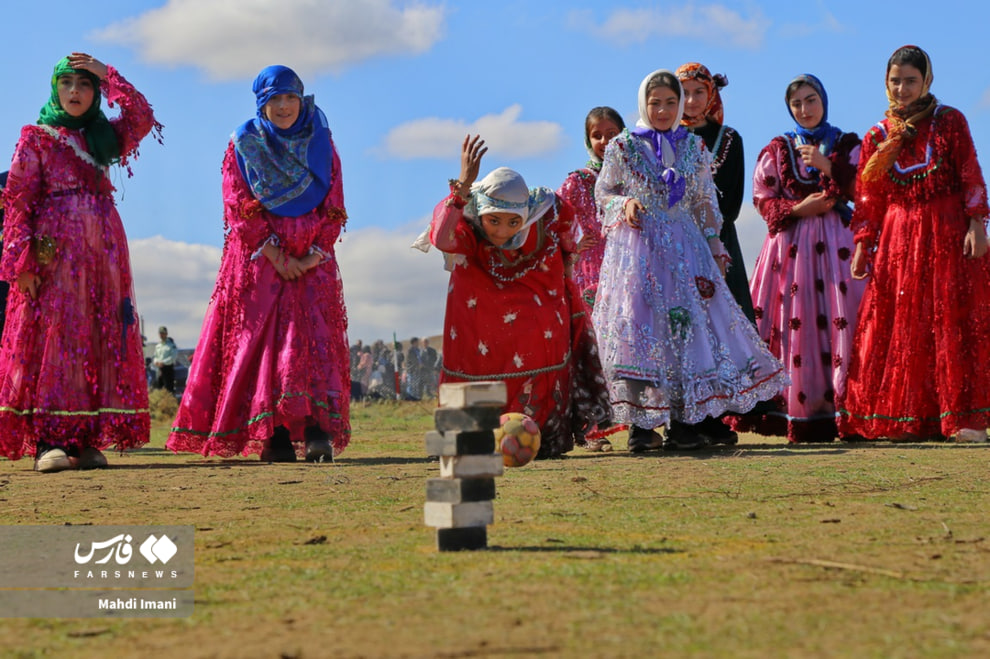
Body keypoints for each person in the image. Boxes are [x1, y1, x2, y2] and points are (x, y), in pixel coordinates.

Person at [593, 69, 788, 452]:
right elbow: (604, 193)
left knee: (685, 332)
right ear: (643, 104)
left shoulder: (693, 147)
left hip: (685, 250)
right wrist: (625, 202)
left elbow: (703, 202)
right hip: (638, 251)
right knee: (639, 332)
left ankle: (685, 421)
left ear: (679, 105)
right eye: (655, 103)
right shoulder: (622, 146)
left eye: (670, 102)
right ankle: (641, 426)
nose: (663, 110)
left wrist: (715, 244)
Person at [167, 65, 350, 463]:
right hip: (259, 264)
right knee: (267, 346)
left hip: (311, 266)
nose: (284, 107)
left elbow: (334, 204)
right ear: (261, 104)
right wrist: (276, 254)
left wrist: (312, 254)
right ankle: (276, 433)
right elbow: (235, 203)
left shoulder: (321, 142)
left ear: (301, 100)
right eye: (275, 99)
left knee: (312, 342)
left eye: (290, 98)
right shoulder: (244, 143)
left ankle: (317, 432)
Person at [0, 53, 160, 472]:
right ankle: (49, 441)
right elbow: (18, 201)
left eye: (85, 84)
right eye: (68, 83)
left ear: (95, 93)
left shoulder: (103, 138)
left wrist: (110, 75)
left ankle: (86, 439)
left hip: (104, 255)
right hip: (54, 255)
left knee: (98, 336)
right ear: (55, 88)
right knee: (57, 338)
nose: (75, 91)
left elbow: (142, 116)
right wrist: (23, 264)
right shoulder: (35, 137)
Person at [839, 46, 990, 443]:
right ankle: (903, 416)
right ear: (885, 83)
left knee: (950, 319)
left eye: (910, 80)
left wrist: (978, 222)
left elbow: (970, 171)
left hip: (947, 232)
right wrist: (862, 244)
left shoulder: (950, 121)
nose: (902, 88)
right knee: (900, 323)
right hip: (898, 238)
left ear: (927, 81)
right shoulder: (877, 136)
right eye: (895, 81)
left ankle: (963, 417)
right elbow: (869, 197)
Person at [429, 135, 611, 458]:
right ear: (481, 212)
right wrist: (462, 188)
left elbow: (570, 234)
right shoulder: (468, 225)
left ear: (526, 216)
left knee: (540, 344)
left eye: (514, 222)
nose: (502, 231)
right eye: (494, 220)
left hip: (536, 306)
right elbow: (442, 238)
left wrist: (567, 264)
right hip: (477, 314)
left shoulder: (548, 213)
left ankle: (541, 435)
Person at [731, 74, 864, 444]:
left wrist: (825, 165)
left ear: (824, 100)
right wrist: (798, 208)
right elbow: (762, 198)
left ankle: (849, 411)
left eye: (811, 100)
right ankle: (797, 413)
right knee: (796, 325)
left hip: (838, 248)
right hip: (789, 252)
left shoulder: (848, 144)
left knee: (844, 323)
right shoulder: (777, 148)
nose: (805, 109)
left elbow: (864, 189)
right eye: (797, 104)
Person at [675, 63, 754, 322]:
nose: (691, 100)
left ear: (711, 93)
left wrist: (707, 228)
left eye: (699, 91)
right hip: (675, 239)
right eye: (684, 92)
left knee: (727, 321)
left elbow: (732, 203)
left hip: (720, 240)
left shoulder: (729, 138)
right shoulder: (666, 137)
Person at [556, 107, 625, 309]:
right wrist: (572, 245)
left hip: (626, 266)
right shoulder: (579, 181)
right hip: (591, 270)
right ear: (588, 141)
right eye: (597, 136)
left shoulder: (635, 178)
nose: (605, 141)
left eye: (612, 134)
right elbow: (552, 216)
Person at [153, 325, 178, 393]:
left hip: (168, 369)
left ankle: (169, 402)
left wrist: (163, 362)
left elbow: (173, 357)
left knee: (168, 388)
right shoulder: (158, 346)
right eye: (160, 333)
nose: (161, 335)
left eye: (163, 333)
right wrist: (156, 362)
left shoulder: (171, 345)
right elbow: (155, 356)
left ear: (166, 334)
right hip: (159, 369)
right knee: (159, 388)